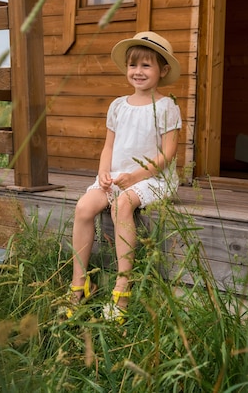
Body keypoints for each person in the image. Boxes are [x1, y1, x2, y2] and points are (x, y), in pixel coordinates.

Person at [61, 31, 182, 323]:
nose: (138, 72)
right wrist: (104, 172)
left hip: (151, 178)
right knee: (84, 207)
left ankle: (122, 288)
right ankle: (80, 283)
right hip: (115, 176)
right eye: (133, 65)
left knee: (122, 205)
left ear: (162, 71)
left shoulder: (166, 107)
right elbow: (109, 146)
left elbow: (167, 154)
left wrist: (136, 175)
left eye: (146, 66)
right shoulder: (118, 106)